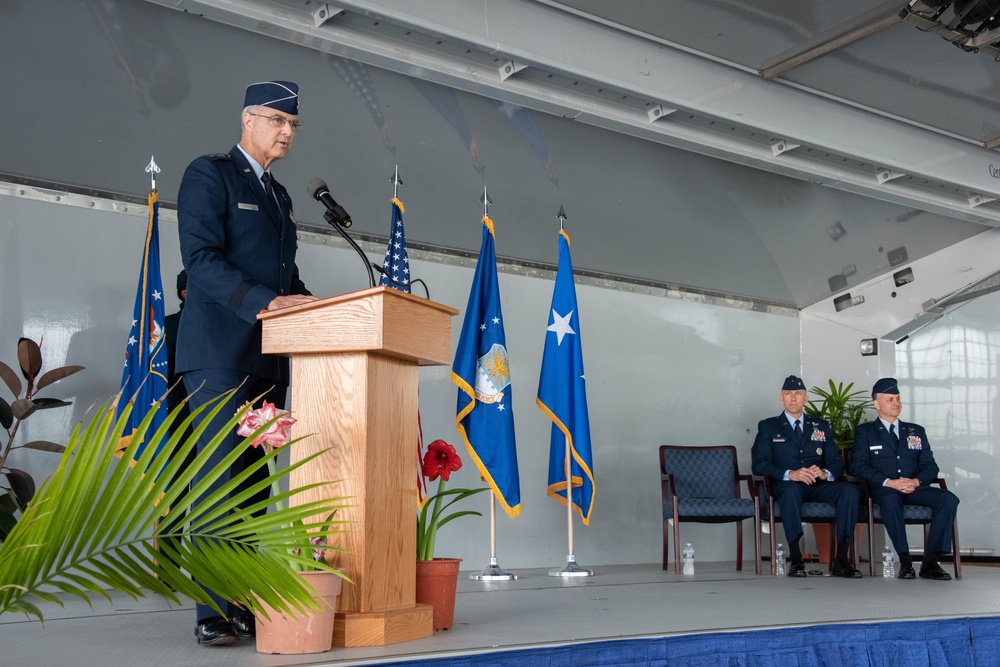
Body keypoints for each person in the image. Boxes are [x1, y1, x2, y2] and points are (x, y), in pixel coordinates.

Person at [176, 80, 318, 646]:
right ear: (248, 120)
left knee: (255, 485)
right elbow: (201, 261)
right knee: (216, 479)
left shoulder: (280, 197)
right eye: (277, 121)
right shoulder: (209, 174)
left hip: (267, 360)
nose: (286, 132)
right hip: (217, 354)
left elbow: (284, 278)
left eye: (293, 125)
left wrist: (312, 302)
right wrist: (267, 303)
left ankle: (240, 600)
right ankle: (210, 608)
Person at [752, 375, 863, 578]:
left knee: (849, 491)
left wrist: (824, 472)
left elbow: (836, 463)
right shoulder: (769, 426)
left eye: (798, 394)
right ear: (781, 399)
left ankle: (841, 558)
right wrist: (790, 474)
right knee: (791, 491)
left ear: (806, 399)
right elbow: (759, 464)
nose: (793, 398)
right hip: (787, 485)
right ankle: (796, 558)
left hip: (817, 484)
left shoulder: (821, 426)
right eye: (788, 394)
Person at [851, 378, 959, 581]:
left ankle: (931, 561)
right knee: (891, 500)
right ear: (877, 403)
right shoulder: (865, 432)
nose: (896, 403)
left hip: (913, 487)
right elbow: (857, 465)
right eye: (890, 399)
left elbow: (930, 466)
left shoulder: (915, 431)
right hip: (885, 489)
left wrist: (917, 481)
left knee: (948, 499)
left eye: (898, 399)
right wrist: (888, 482)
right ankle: (905, 560)